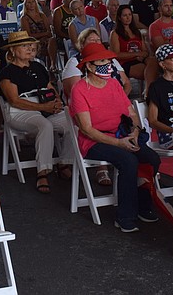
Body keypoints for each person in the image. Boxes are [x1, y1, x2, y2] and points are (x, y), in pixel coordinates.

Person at [69, 42, 161, 232]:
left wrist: (135, 131)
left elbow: (131, 113)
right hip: (94, 141)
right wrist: (119, 143)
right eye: (102, 61)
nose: (108, 65)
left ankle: (143, 205)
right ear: (89, 66)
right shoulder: (79, 90)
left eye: (108, 61)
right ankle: (125, 215)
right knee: (128, 161)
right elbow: (87, 129)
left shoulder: (113, 84)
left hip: (122, 133)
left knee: (151, 158)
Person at [0, 32, 73, 194]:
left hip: (45, 105)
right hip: (20, 111)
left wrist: (57, 102)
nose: (29, 48)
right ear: (13, 50)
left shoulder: (38, 67)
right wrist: (43, 107)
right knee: (44, 125)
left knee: (72, 121)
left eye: (30, 45)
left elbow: (50, 87)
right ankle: (42, 172)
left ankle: (64, 162)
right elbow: (14, 101)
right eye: (24, 46)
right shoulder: (7, 72)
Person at [110, 4, 158, 86]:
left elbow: (145, 51)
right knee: (151, 72)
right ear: (119, 18)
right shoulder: (115, 33)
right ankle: (148, 91)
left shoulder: (136, 32)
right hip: (126, 62)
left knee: (154, 61)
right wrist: (136, 54)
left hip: (140, 59)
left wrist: (142, 55)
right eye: (125, 15)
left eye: (129, 15)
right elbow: (116, 55)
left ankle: (148, 90)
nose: (128, 17)